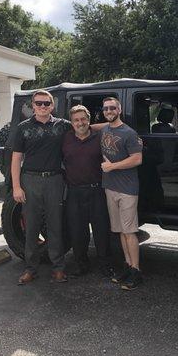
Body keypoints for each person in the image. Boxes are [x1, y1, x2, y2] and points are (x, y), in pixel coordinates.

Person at [11, 90, 69, 285]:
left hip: (54, 180)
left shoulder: (62, 126)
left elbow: (84, 127)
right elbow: (16, 158)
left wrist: (113, 124)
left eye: (46, 103)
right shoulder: (23, 128)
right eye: (38, 103)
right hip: (30, 181)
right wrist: (16, 187)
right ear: (33, 105)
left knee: (55, 225)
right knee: (32, 227)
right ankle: (31, 269)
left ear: (52, 105)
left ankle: (58, 268)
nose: (42, 107)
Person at [62, 105, 114, 278]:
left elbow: (113, 126)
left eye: (83, 119)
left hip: (97, 191)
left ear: (89, 120)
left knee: (101, 230)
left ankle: (106, 265)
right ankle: (81, 264)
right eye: (76, 120)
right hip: (74, 192)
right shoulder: (65, 138)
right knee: (77, 231)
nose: (80, 123)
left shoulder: (100, 137)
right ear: (71, 122)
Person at [100, 97, 144, 290]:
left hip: (127, 189)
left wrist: (112, 167)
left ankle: (136, 271)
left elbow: (137, 159)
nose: (109, 111)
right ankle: (127, 266)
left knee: (129, 232)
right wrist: (78, 124)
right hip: (110, 188)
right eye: (106, 108)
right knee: (119, 231)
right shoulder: (105, 129)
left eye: (112, 108)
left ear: (119, 110)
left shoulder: (130, 133)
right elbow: (91, 127)